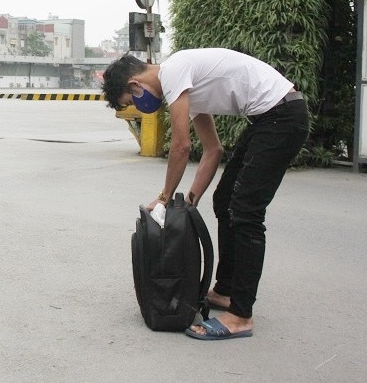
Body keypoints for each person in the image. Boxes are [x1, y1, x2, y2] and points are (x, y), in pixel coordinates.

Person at [101, 48, 309, 340]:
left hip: (282, 117)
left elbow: (182, 146)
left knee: (246, 212)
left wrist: (163, 198)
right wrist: (190, 199)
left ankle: (241, 316)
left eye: (131, 100)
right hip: (270, 118)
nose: (140, 104)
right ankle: (225, 291)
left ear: (136, 85)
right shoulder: (187, 86)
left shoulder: (173, 71)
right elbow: (213, 150)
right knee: (225, 201)